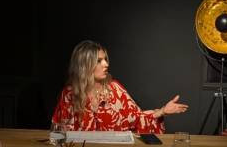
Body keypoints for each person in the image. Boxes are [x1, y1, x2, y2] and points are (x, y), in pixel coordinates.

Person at [51, 40, 188, 133]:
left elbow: (136, 119)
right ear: (84, 65)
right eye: (99, 61)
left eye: (105, 59)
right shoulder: (70, 93)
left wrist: (162, 111)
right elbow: (59, 130)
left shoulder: (115, 89)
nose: (106, 64)